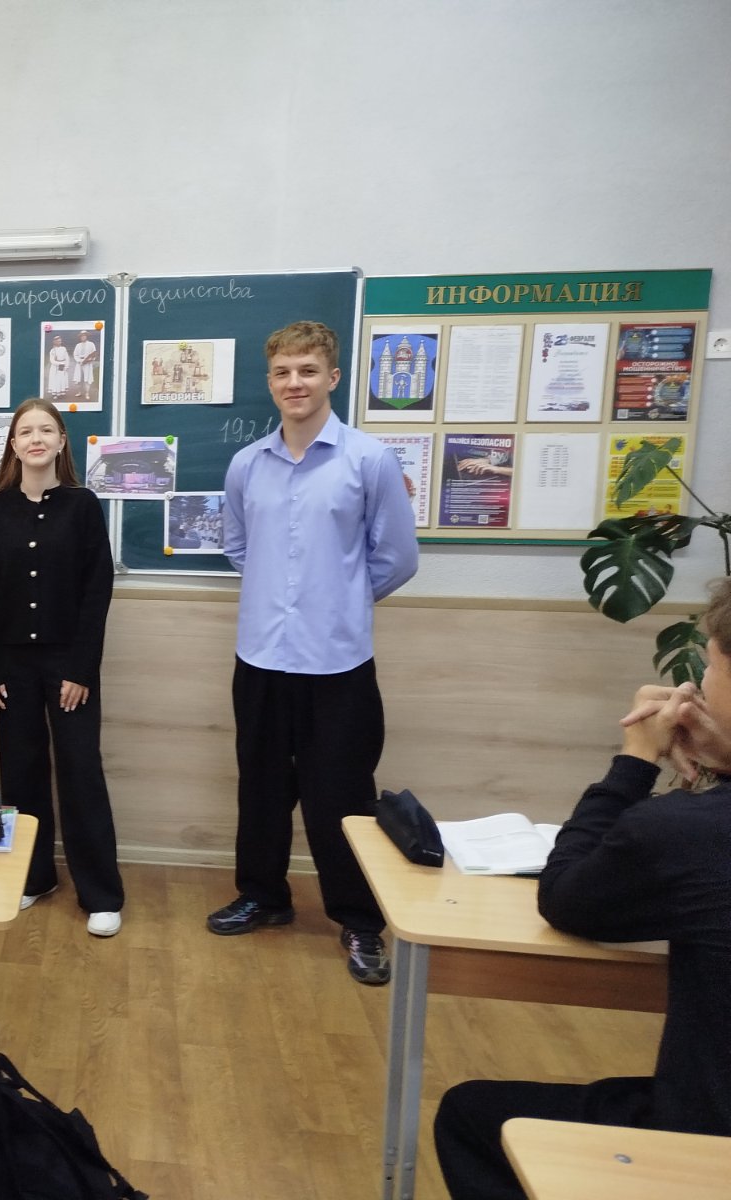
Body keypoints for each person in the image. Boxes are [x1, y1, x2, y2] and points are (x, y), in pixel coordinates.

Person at [433, 579, 731, 1199]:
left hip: (704, 1142)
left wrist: (635, 761)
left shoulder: (689, 832)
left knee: (472, 1116)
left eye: (710, 664)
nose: (700, 683)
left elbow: (566, 896)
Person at [208, 321, 418, 984]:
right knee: (261, 789)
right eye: (282, 372)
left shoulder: (369, 460)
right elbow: (238, 548)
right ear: (270, 381)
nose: (294, 383)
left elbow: (397, 557)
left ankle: (359, 921)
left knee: (343, 798)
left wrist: (340, 600)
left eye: (307, 371)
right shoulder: (247, 464)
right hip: (260, 659)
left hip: (337, 665)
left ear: (332, 377)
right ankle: (263, 897)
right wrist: (281, 596)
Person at [0, 398, 125, 937]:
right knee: (21, 772)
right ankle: (33, 876)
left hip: (68, 664)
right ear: (13, 446)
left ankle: (100, 893)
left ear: (61, 442)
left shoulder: (83, 506)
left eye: (46, 430)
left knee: (81, 772)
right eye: (25, 432)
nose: (35, 439)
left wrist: (81, 669)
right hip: (12, 665)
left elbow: (96, 592)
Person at [72, 330, 98, 401]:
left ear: (86, 336)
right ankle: (79, 392)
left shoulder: (91, 344)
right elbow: (75, 355)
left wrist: (90, 359)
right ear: (80, 337)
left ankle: (87, 393)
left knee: (87, 378)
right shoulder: (78, 345)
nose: (83, 337)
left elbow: (94, 354)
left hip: (87, 364)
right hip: (79, 363)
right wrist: (79, 361)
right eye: (81, 336)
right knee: (78, 378)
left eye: (84, 336)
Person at [46, 334, 72, 400]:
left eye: (60, 341)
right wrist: (60, 363)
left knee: (61, 379)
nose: (59, 342)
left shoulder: (63, 348)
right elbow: (52, 360)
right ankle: (55, 394)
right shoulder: (52, 350)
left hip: (63, 366)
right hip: (55, 367)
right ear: (54, 342)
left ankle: (60, 393)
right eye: (58, 341)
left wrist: (66, 365)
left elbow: (67, 358)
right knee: (55, 380)